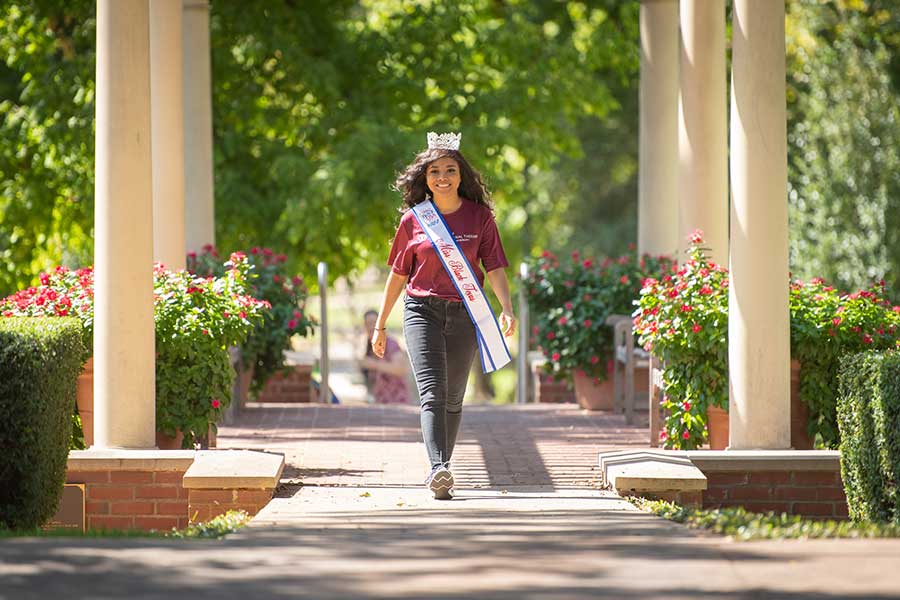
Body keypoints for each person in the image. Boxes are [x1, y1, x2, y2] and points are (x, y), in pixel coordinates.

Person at [371, 131, 516, 500]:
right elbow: (398, 274)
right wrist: (380, 324)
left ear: (460, 175)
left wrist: (507, 309)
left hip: (466, 312)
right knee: (432, 393)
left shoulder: (480, 217)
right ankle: (439, 468)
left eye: (450, 170)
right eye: (434, 171)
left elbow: (495, 266)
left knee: (454, 397)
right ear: (426, 178)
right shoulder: (413, 220)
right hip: (422, 310)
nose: (443, 177)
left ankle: (442, 466)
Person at [359, 308, 411, 404]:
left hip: (396, 401)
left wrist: (374, 364)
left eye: (374, 323)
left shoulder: (391, 344)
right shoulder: (366, 346)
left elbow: (401, 369)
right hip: (380, 402)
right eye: (368, 324)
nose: (371, 327)